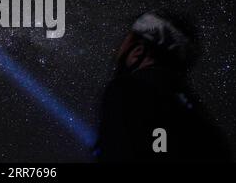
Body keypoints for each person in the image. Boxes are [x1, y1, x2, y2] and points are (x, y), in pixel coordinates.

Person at [95, 10, 231, 162]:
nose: (117, 49)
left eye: (127, 38)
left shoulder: (128, 89)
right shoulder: (199, 113)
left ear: (138, 51)